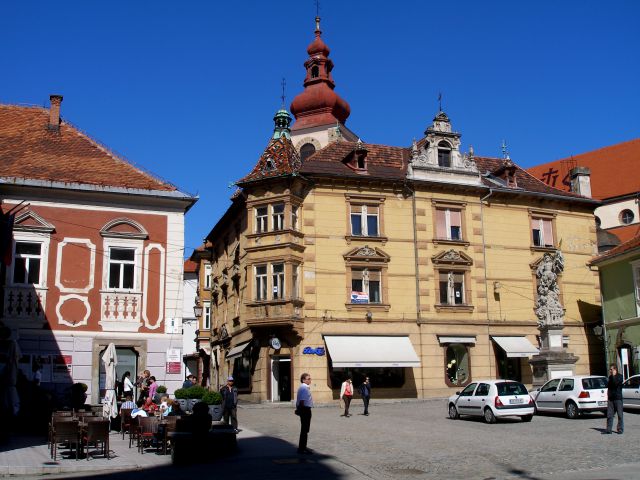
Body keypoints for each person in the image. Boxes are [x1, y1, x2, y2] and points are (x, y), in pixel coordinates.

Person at [296, 372, 314, 454]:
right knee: (304, 429)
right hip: (305, 410)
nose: (310, 380)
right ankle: (302, 448)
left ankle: (303, 447)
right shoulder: (304, 388)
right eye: (308, 379)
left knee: (305, 429)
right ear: (303, 380)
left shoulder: (304, 387)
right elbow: (302, 401)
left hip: (305, 409)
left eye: (310, 378)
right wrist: (302, 411)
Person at [606, 364, 624, 434]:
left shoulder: (620, 376)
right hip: (611, 399)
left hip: (618, 398)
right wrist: (608, 395)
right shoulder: (610, 377)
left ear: (615, 369)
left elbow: (616, 384)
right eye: (610, 369)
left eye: (611, 369)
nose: (610, 371)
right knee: (609, 414)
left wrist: (613, 376)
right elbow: (609, 387)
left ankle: (620, 429)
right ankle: (609, 429)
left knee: (620, 415)